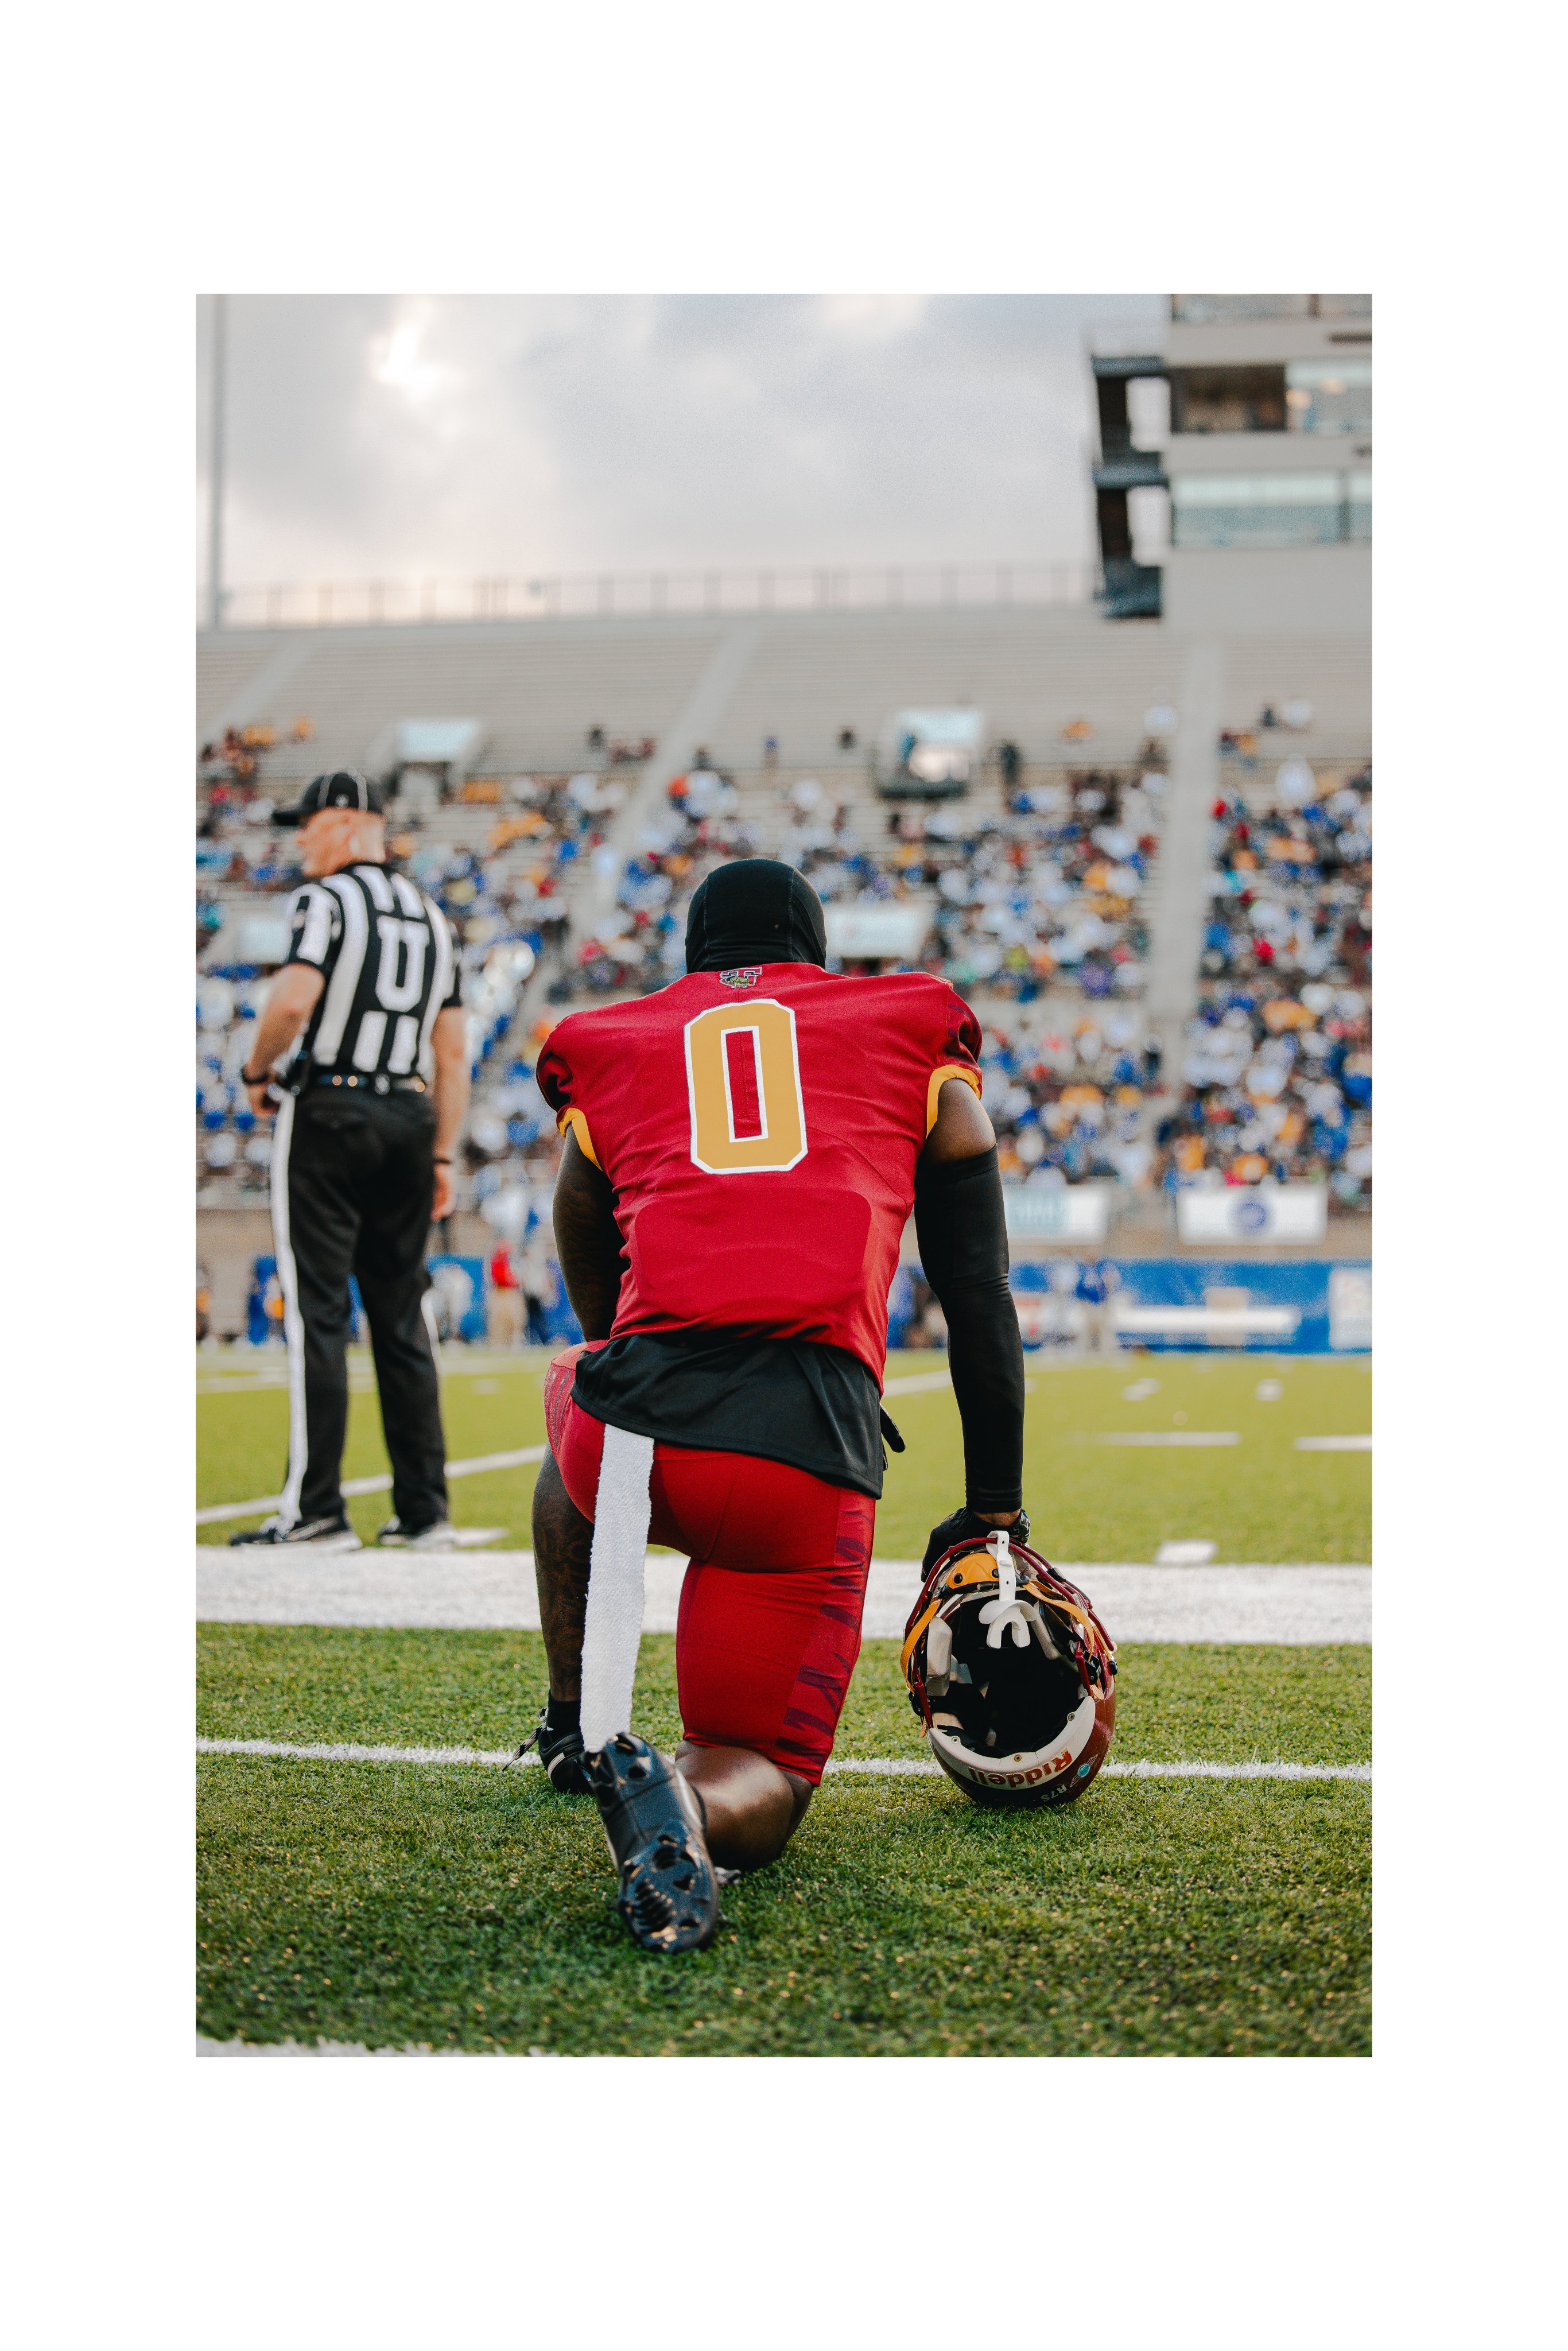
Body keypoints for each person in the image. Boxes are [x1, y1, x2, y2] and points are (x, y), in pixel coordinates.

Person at [521, 857, 1027, 1951]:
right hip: (800, 1452)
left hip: (630, 1437)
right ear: (818, 956)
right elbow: (977, 1293)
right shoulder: (909, 1024)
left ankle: (570, 1720)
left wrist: (629, 1361)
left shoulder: (611, 1043)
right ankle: (683, 1801)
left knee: (575, 1377)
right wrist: (995, 1507)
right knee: (762, 1776)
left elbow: (586, 1262)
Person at [228, 770, 471, 1551]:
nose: (299, 839)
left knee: (320, 1310)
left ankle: (319, 1508)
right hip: (409, 1111)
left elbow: (295, 1001)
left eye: (308, 824)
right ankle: (426, 1508)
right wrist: (442, 1152)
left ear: (344, 823)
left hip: (331, 1106)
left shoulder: (325, 901)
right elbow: (454, 1052)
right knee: (401, 1315)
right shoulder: (434, 916)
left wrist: (258, 1072)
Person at [487, 1239, 523, 1348]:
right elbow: (501, 1279)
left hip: (510, 1292)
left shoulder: (508, 1261)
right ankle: (498, 1343)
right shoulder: (496, 1261)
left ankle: (512, 1342)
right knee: (499, 1320)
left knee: (514, 1319)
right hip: (501, 1292)